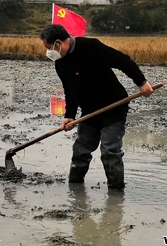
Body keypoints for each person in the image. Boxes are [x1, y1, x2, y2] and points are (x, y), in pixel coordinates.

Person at [40, 24, 154, 190]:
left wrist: (141, 82)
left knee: (109, 150)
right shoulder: (60, 63)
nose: (48, 52)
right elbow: (70, 90)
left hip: (113, 107)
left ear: (58, 43)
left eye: (48, 47)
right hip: (90, 112)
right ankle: (75, 190)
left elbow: (122, 60)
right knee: (80, 150)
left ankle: (116, 194)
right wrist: (69, 115)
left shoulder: (90, 47)